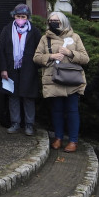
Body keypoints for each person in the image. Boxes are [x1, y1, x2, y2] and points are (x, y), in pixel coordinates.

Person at [33, 12, 89, 153]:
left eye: (56, 20)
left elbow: (85, 58)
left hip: (72, 80)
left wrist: (70, 53)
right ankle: (58, 138)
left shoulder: (75, 37)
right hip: (54, 79)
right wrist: (51, 56)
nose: (53, 22)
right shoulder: (45, 39)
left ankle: (73, 141)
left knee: (72, 111)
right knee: (57, 111)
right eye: (51, 20)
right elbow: (36, 57)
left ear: (63, 21)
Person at [0, 4, 41, 136]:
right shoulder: (7, 30)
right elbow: (2, 51)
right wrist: (3, 69)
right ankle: (15, 123)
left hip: (29, 69)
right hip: (12, 69)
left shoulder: (34, 31)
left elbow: (39, 49)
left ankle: (29, 124)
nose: (20, 19)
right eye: (18, 16)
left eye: (23, 16)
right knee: (13, 96)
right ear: (14, 16)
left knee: (28, 97)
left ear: (27, 17)